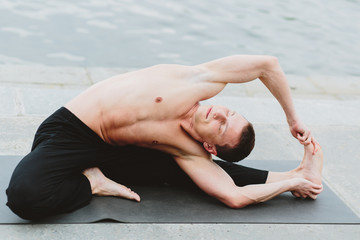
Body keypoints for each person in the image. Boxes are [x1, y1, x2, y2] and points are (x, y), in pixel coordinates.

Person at [6, 55, 323, 220]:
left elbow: (233, 197)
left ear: (211, 146)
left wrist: (291, 183)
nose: (220, 114)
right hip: (72, 131)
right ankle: (93, 182)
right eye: (231, 112)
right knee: (24, 196)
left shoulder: (190, 151)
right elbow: (268, 65)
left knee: (195, 174)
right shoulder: (195, 80)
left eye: (223, 126)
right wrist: (293, 120)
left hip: (116, 153)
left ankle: (296, 173)